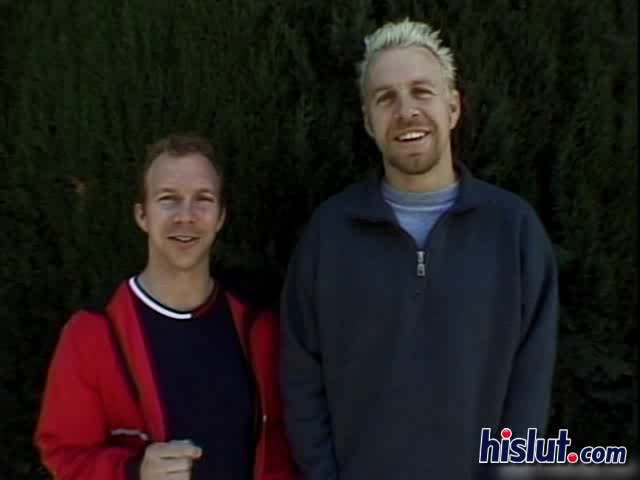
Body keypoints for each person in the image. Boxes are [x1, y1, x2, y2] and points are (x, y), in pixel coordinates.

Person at [280, 18, 558, 480]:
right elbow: (300, 376)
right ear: (368, 121)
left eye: (421, 92)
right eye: (385, 98)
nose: (406, 110)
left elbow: (531, 383)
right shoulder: (329, 235)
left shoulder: (513, 231)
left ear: (453, 107)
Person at [35, 133, 298, 480]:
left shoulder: (260, 330)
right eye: (168, 199)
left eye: (202, 199)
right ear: (142, 215)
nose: (185, 216)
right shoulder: (90, 334)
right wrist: (133, 471)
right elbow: (64, 454)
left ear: (220, 217)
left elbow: (283, 446)